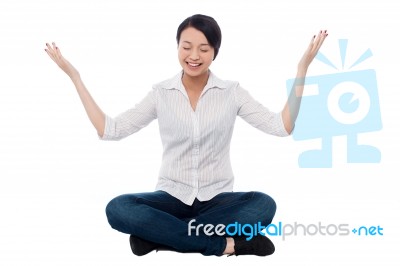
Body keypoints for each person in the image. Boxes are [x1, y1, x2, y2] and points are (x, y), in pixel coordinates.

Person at [45, 14, 327, 257]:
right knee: (118, 209)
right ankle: (226, 245)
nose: (194, 56)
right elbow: (111, 129)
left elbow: (281, 126)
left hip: (217, 200)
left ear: (215, 51)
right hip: (170, 197)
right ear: (177, 47)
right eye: (187, 47)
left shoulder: (232, 92)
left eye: (204, 49)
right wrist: (75, 76)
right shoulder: (161, 93)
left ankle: (160, 236)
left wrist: (302, 69)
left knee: (263, 206)